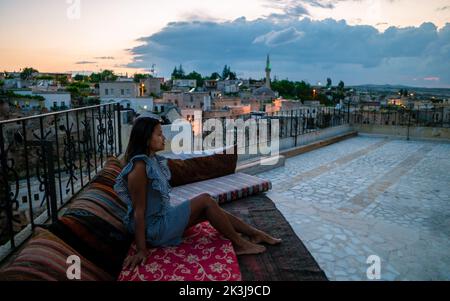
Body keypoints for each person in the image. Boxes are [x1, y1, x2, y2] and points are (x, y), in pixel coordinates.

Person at [114, 115, 281, 271]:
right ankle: (240, 244)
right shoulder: (139, 169)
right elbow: (138, 212)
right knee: (206, 200)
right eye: (159, 134)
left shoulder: (151, 161)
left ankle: (255, 234)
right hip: (155, 229)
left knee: (211, 210)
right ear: (146, 138)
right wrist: (142, 250)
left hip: (162, 217)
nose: (164, 138)